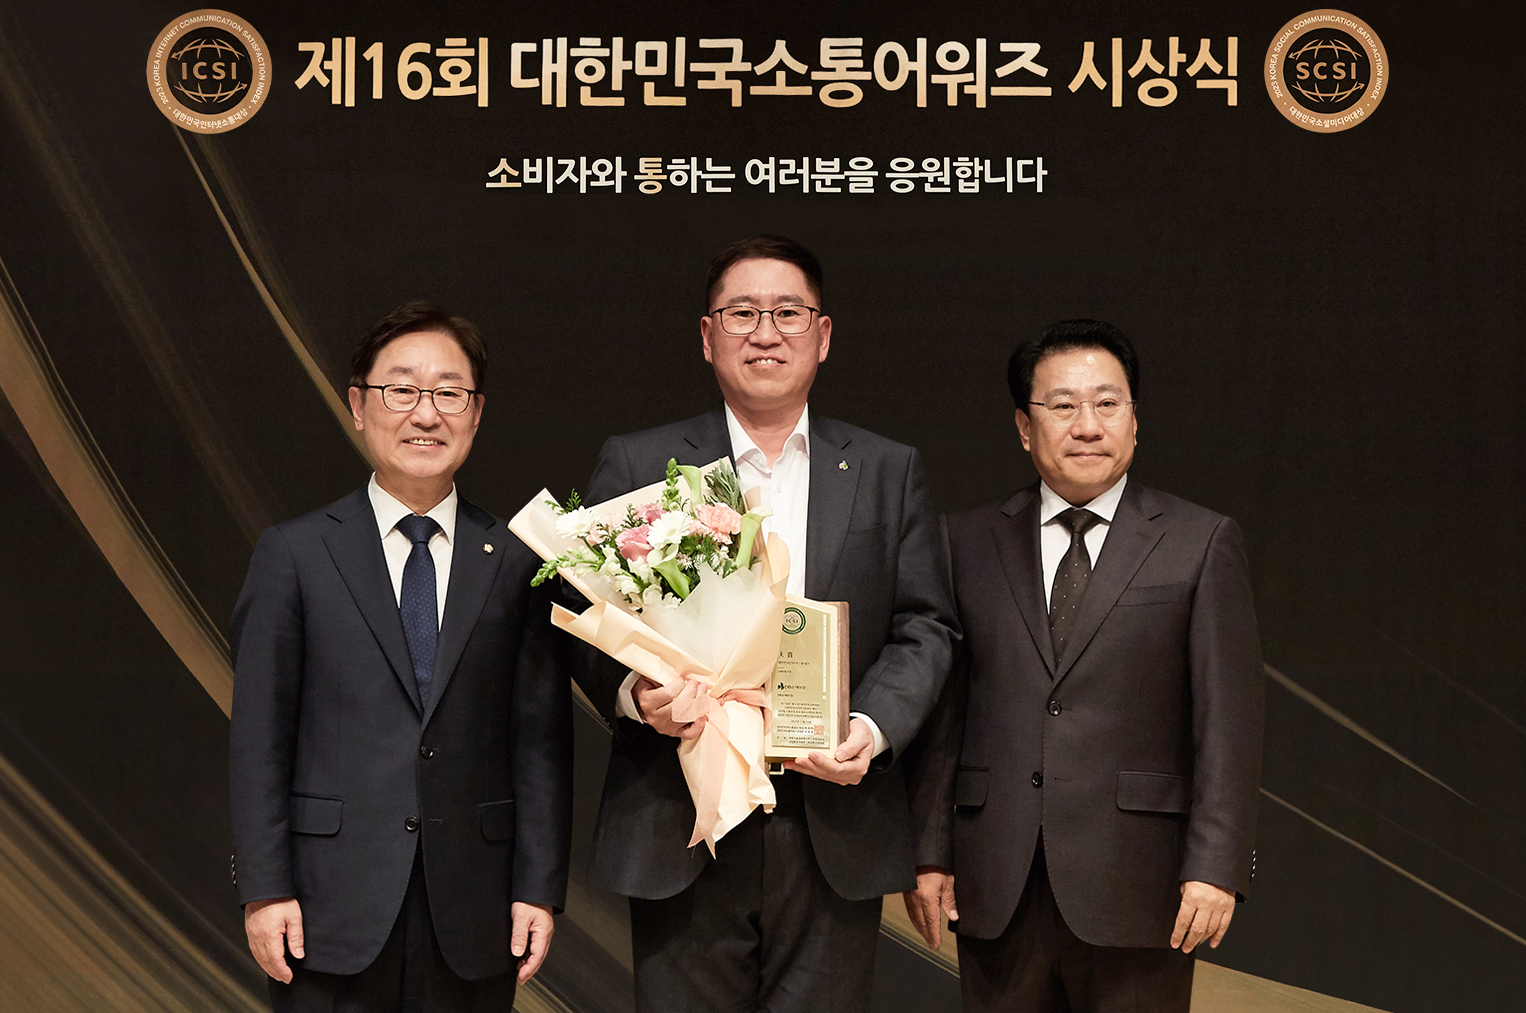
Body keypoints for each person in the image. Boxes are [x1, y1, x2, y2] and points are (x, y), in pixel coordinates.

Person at [572, 235, 959, 1013]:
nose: (765, 333)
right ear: (707, 335)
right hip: (683, 813)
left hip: (832, 819)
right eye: (742, 313)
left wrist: (870, 727)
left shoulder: (887, 470)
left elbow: (927, 625)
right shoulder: (641, 461)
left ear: (823, 334)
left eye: (788, 313)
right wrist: (637, 696)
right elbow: (587, 611)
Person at [904, 318, 1263, 1013]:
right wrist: (929, 851)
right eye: (1063, 405)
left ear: (1135, 419)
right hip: (995, 880)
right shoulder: (965, 541)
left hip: (1142, 882)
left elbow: (1229, 722)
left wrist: (1216, 865)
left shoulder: (1200, 541)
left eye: (1107, 403)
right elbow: (945, 714)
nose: (1088, 425)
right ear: (1024, 426)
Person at [229, 303, 572, 1013]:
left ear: (476, 413)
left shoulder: (517, 560)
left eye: (449, 393)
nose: (426, 414)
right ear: (359, 406)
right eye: (401, 390)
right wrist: (264, 887)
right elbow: (260, 736)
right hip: (325, 905)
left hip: (475, 907)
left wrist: (538, 887)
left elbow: (539, 739)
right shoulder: (295, 553)